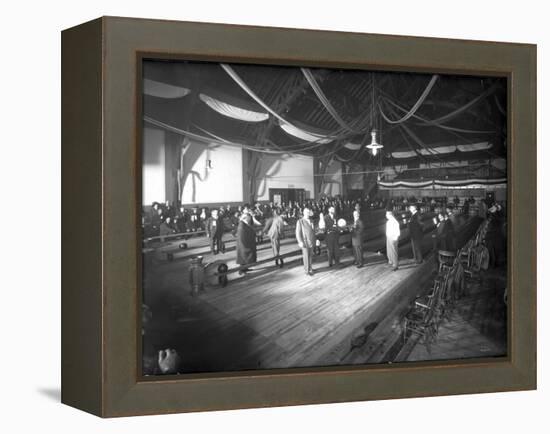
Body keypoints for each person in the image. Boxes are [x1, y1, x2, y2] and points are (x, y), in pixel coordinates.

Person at [295, 206, 316, 276]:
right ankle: (307, 270)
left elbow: (313, 231)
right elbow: (298, 233)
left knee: (310, 256)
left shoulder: (311, 221)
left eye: (308, 212)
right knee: (306, 256)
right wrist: (300, 241)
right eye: (306, 212)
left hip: (311, 241)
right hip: (304, 241)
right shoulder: (300, 221)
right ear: (303, 213)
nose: (307, 213)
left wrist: (316, 240)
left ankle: (310, 268)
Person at [236, 209, 257, 275]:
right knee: (243, 258)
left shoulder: (245, 224)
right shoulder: (241, 226)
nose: (250, 219)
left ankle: (245, 268)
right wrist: (245, 246)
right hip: (243, 245)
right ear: (245, 218)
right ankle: (241, 271)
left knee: (245, 259)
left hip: (247, 243)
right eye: (249, 218)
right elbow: (241, 237)